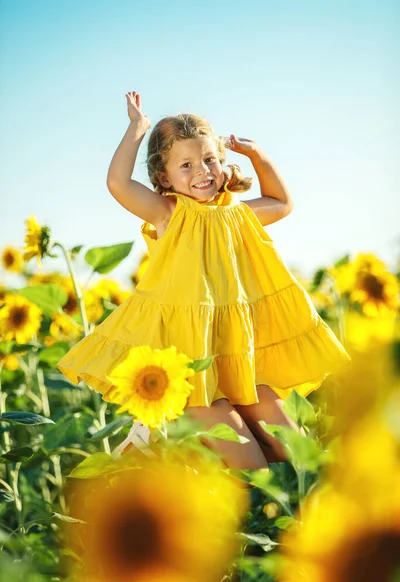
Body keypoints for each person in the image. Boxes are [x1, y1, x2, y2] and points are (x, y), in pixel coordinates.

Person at [58, 90, 349, 470]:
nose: (201, 171)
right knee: (255, 473)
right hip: (191, 371)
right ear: (164, 176)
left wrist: (258, 156)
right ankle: (150, 441)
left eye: (209, 160)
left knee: (296, 458)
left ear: (222, 162)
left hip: (242, 361)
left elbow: (281, 202)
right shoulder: (168, 213)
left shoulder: (236, 213)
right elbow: (117, 183)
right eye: (186, 165)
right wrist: (137, 128)